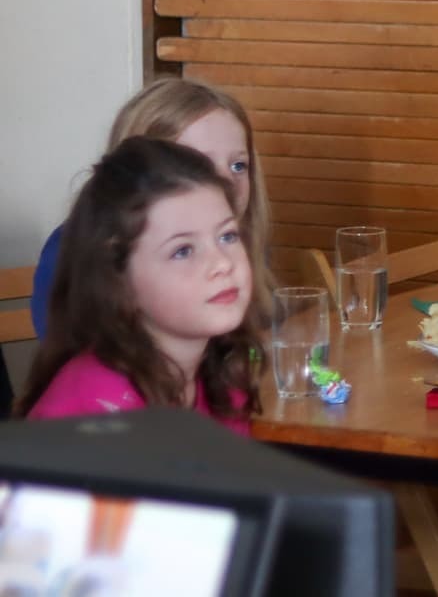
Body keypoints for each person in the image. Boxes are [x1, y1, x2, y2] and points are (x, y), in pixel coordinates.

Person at [16, 137, 261, 434]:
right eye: (183, 250)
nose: (222, 263)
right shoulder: (98, 413)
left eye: (227, 236)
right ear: (119, 280)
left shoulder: (223, 375)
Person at [30, 78, 272, 338]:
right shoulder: (67, 252)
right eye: (200, 166)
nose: (227, 184)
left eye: (238, 165)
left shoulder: (235, 246)